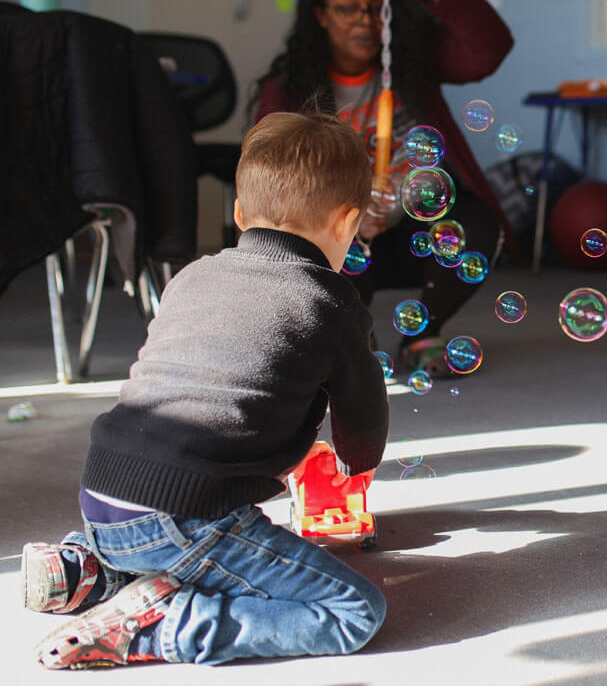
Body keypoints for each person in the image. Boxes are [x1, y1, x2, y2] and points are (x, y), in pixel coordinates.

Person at [23, 112, 389, 669]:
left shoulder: (191, 276)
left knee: (164, 537)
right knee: (354, 613)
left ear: (240, 213)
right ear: (347, 223)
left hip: (102, 493)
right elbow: (362, 420)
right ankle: (166, 627)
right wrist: (356, 460)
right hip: (189, 515)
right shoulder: (335, 305)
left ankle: (83, 570)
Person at [252, 0, 516, 377]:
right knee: (329, 250)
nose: (366, 20)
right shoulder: (289, 91)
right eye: (346, 7)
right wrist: (341, 215)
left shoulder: (411, 67)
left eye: (376, 6)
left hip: (414, 230)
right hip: (339, 239)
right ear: (320, 15)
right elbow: (270, 183)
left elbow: (489, 48)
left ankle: (421, 334)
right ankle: (351, 334)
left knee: (478, 223)